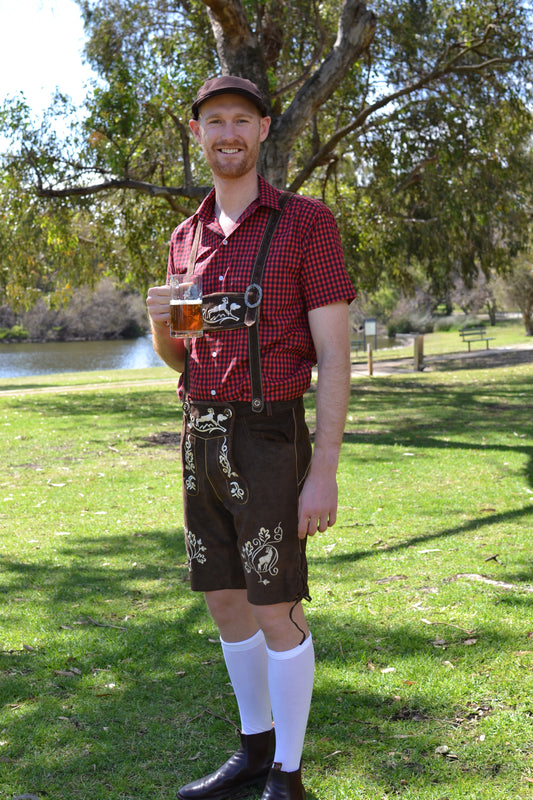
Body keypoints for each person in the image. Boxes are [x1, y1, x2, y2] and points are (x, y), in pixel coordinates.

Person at [146, 75, 355, 800]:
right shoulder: (186, 237)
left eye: (241, 120)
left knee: (274, 608)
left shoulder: (305, 223)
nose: (226, 133)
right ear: (195, 133)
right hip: (198, 434)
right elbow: (185, 357)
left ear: (264, 130)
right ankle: (254, 752)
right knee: (225, 602)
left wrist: (321, 467)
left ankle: (290, 778)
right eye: (213, 122)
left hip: (270, 433)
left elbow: (334, 357)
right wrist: (158, 323)